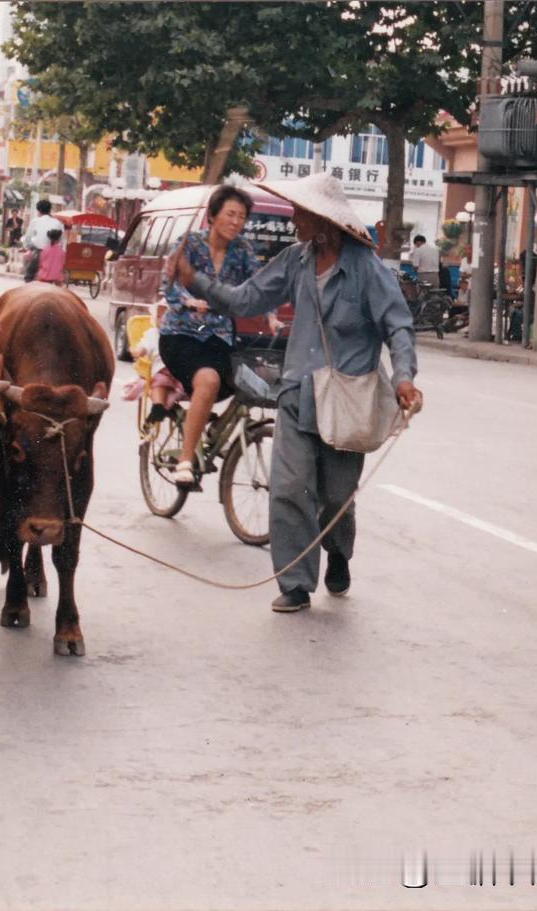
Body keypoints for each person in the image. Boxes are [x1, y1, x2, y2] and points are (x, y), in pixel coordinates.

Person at [174, 171, 421, 613]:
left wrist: (404, 377)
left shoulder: (365, 268)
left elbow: (398, 327)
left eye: (300, 215)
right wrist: (197, 282)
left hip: (346, 401)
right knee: (288, 488)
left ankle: (339, 554)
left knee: (335, 500)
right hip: (296, 394)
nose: (293, 222)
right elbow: (248, 299)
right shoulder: (295, 260)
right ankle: (295, 583)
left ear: (324, 221)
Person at [159, 185, 260, 486]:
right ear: (212, 216)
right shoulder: (188, 243)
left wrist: (269, 312)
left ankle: (213, 430)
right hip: (181, 334)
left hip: (219, 336)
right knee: (209, 380)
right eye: (230, 214)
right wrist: (188, 300)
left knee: (252, 381)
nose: (236, 222)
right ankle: (186, 461)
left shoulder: (243, 250)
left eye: (242, 216)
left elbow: (258, 285)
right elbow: (171, 282)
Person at [21, 198, 63, 282]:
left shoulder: (35, 221)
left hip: (39, 253)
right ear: (49, 210)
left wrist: (26, 246)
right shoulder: (58, 223)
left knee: (28, 276)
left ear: (38, 210)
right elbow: (61, 242)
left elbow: (27, 239)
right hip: (55, 255)